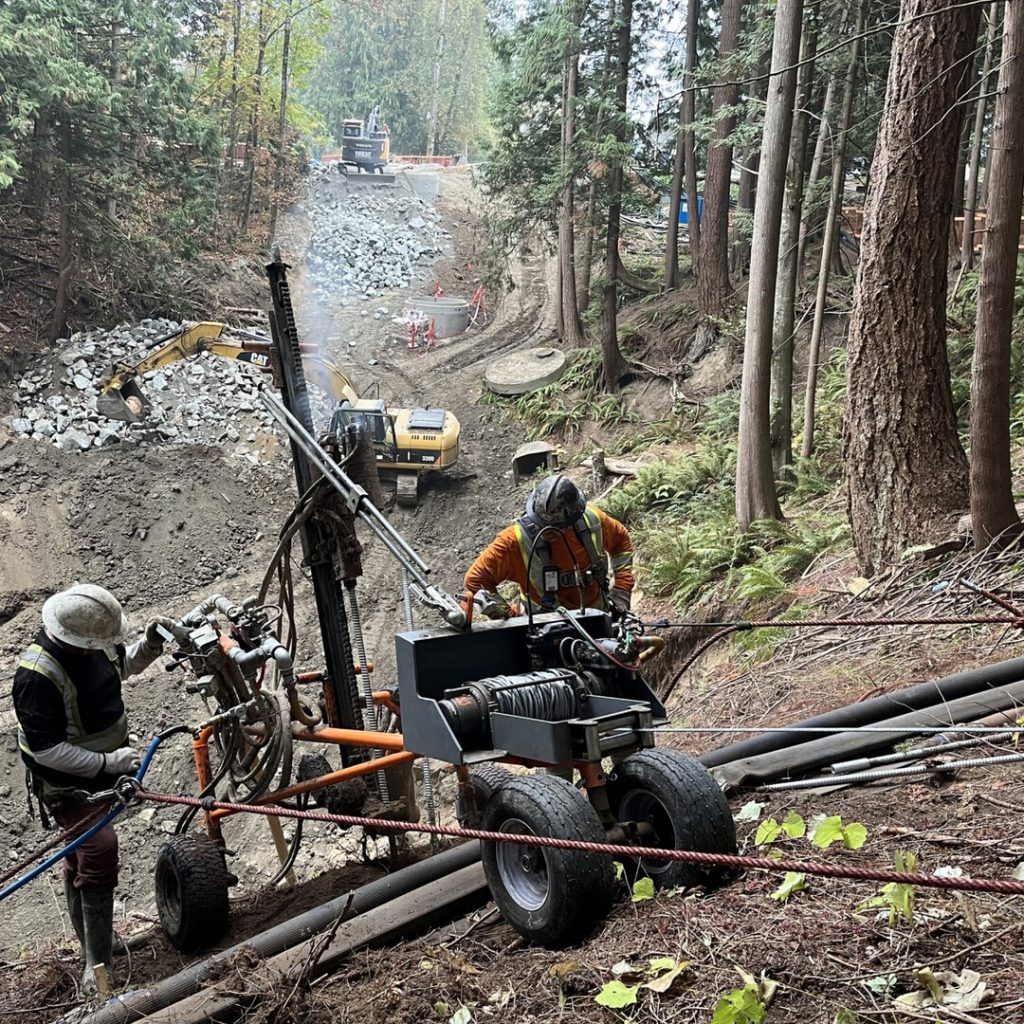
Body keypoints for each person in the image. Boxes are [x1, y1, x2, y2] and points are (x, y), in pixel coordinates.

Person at [12, 584, 180, 992]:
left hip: (103, 774)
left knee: (80, 855)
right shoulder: (37, 676)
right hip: (67, 783)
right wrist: (107, 762)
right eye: (96, 646)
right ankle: (97, 967)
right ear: (74, 640)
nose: (101, 650)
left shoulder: (94, 645)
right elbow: (46, 748)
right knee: (99, 848)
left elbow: (121, 667)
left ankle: (96, 945)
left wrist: (150, 645)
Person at [465, 475, 634, 619]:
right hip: (544, 629)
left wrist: (621, 590)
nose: (546, 531)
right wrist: (509, 618)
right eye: (540, 523)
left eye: (556, 528)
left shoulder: (593, 521)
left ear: (573, 519)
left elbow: (621, 542)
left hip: (597, 618)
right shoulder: (513, 541)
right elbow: (476, 580)